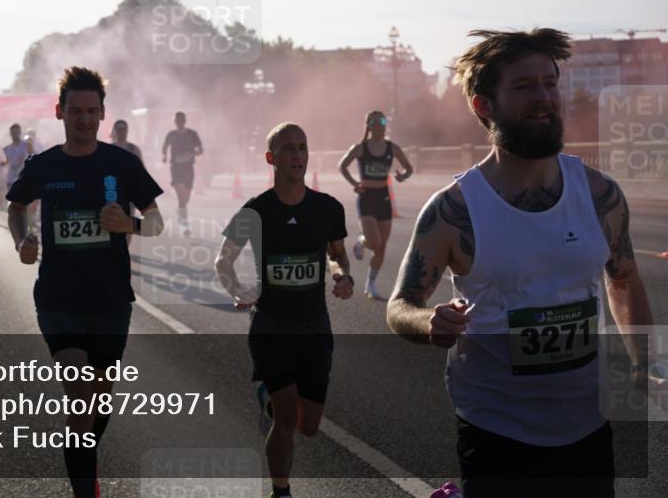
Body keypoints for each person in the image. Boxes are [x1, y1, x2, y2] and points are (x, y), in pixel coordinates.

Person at [386, 28, 660, 498]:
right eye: (524, 86)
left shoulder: (601, 195)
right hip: (496, 431)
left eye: (550, 83)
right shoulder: (454, 210)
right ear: (484, 106)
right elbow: (399, 305)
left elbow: (623, 280)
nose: (543, 97)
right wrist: (428, 320)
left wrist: (642, 363)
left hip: (588, 424)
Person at [6, 66, 164, 498]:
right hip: (58, 298)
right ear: (60, 112)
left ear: (102, 113)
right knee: (80, 395)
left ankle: (84, 461)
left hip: (110, 299)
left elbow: (156, 221)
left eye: (92, 111)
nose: (84, 119)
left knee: (98, 402)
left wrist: (129, 224)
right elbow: (16, 208)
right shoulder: (43, 165)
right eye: (76, 111)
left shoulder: (122, 163)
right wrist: (21, 240)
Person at [215, 122, 353, 498]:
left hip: (315, 325)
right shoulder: (256, 210)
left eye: (302, 147)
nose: (297, 155)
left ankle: (270, 406)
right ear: (270, 158)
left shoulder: (327, 208)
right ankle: (281, 491)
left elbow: (337, 255)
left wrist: (342, 276)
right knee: (288, 419)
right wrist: (238, 291)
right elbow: (223, 260)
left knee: (308, 426)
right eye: (288, 148)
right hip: (271, 325)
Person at [337, 110, 413, 299]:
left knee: (381, 247)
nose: (380, 125)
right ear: (368, 126)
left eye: (383, 121)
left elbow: (409, 168)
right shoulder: (360, 148)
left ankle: (370, 284)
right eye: (375, 122)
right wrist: (354, 184)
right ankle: (362, 242)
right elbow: (342, 165)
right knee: (374, 241)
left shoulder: (392, 148)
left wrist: (402, 176)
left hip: (384, 199)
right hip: (366, 198)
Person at [161, 111, 203, 237]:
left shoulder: (192, 134)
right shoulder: (171, 134)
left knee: (186, 198)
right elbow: (165, 146)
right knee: (181, 197)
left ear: (185, 121)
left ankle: (181, 211)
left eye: (182, 119)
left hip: (189, 168)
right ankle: (185, 225)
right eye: (177, 120)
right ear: (175, 121)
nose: (180, 122)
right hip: (176, 168)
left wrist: (191, 154)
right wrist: (164, 156)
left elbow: (201, 150)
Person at [2, 123, 34, 221]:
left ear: (20, 133)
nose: (15, 134)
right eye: (13, 132)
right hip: (11, 178)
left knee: (26, 203)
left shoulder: (26, 145)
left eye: (17, 132)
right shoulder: (7, 148)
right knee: (13, 202)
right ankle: (17, 221)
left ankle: (29, 222)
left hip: (24, 178)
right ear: (10, 134)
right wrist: (1, 163)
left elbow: (34, 158)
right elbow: (7, 161)